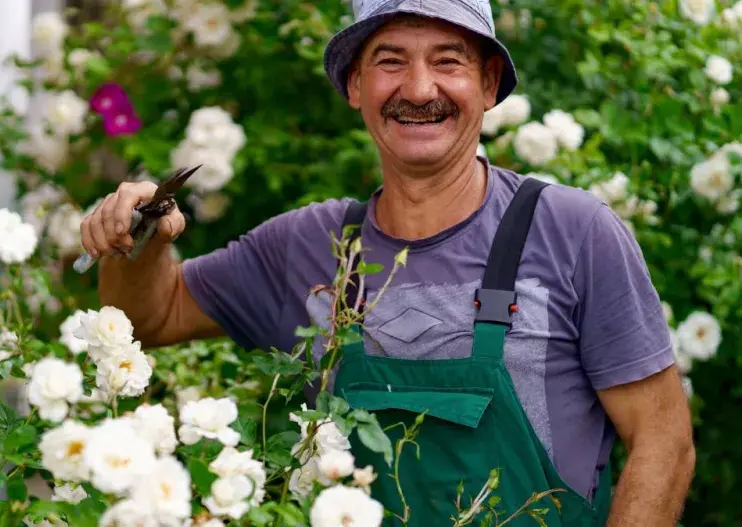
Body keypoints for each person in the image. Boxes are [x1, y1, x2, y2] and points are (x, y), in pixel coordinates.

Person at [81, 0, 695, 524]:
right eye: (390, 60)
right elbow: (153, 318)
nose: (420, 90)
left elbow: (663, 440)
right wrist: (142, 237)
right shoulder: (306, 244)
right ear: (354, 86)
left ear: (488, 84)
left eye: (448, 61)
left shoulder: (572, 232)